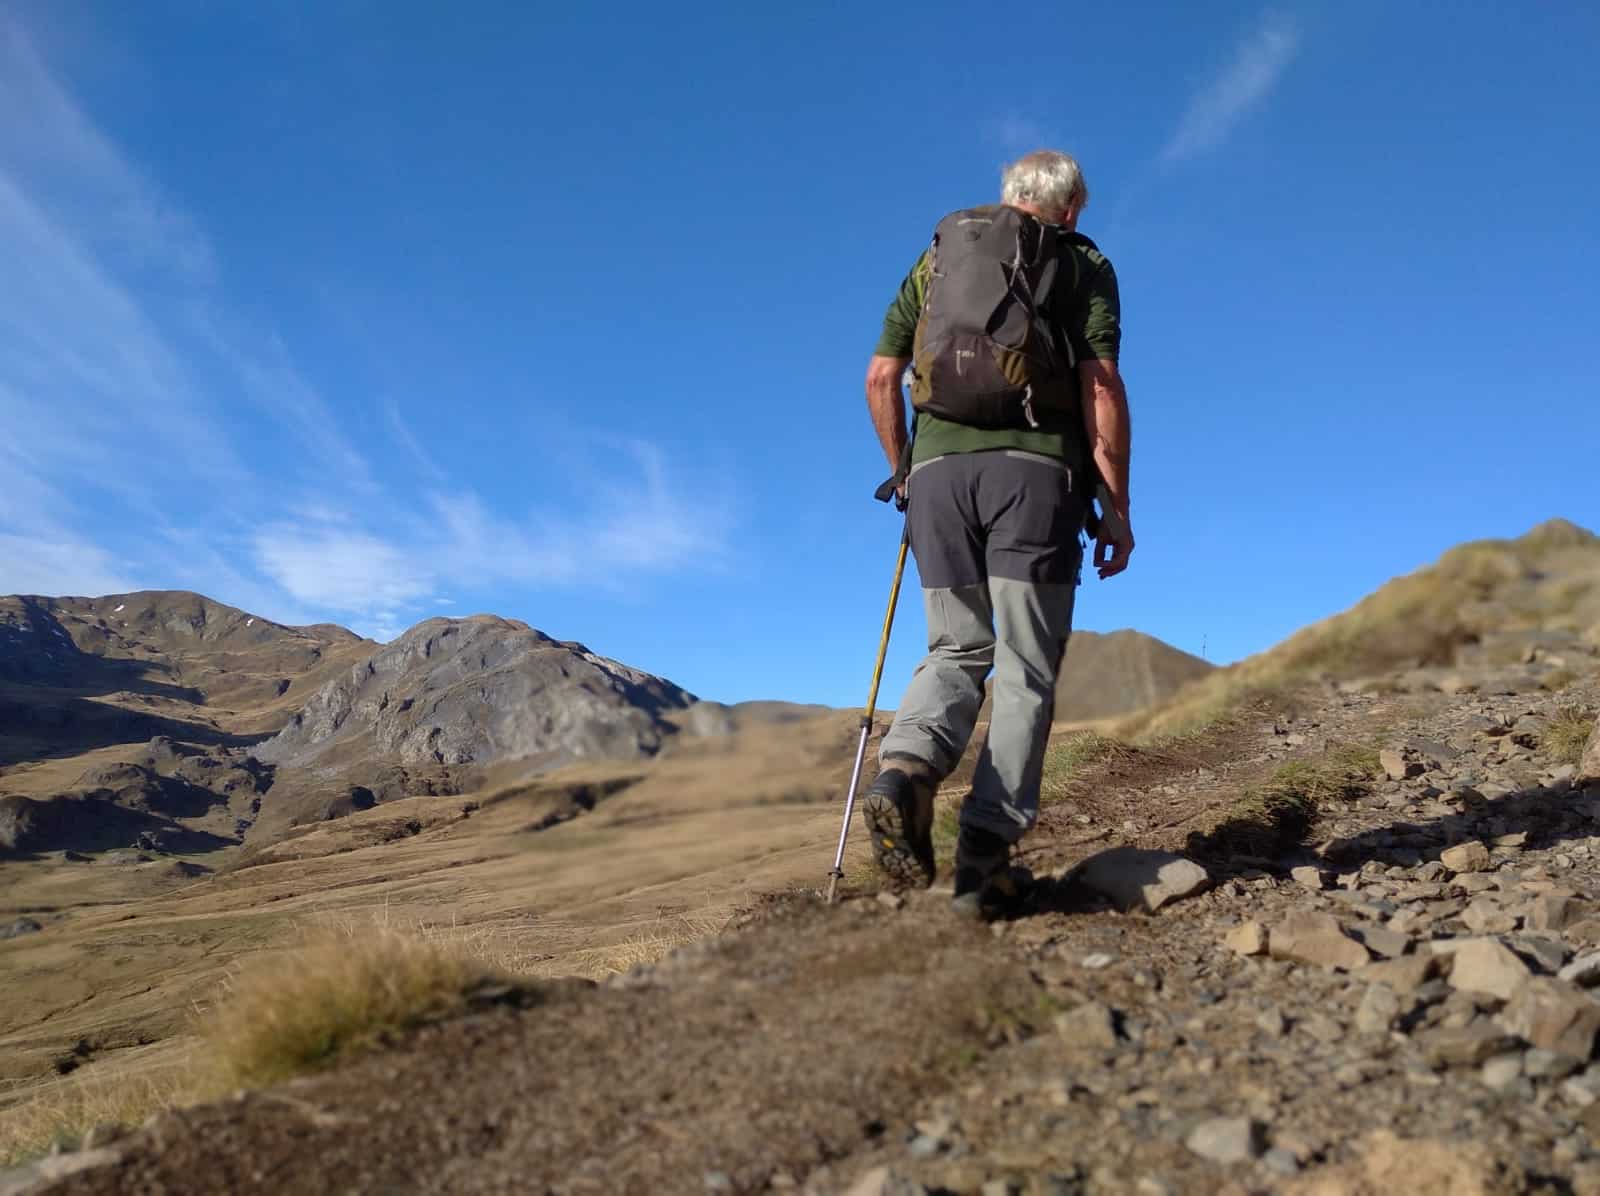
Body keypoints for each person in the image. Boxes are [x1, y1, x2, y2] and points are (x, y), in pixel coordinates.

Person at [862, 149, 1134, 917]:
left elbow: (883, 377)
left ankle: (906, 773)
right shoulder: (1082, 262)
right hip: (1035, 477)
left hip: (939, 482)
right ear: (1072, 207)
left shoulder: (937, 259)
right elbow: (1100, 386)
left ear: (1007, 198)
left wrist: (906, 469)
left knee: (955, 648)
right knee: (1025, 666)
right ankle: (983, 864)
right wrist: (1116, 505)